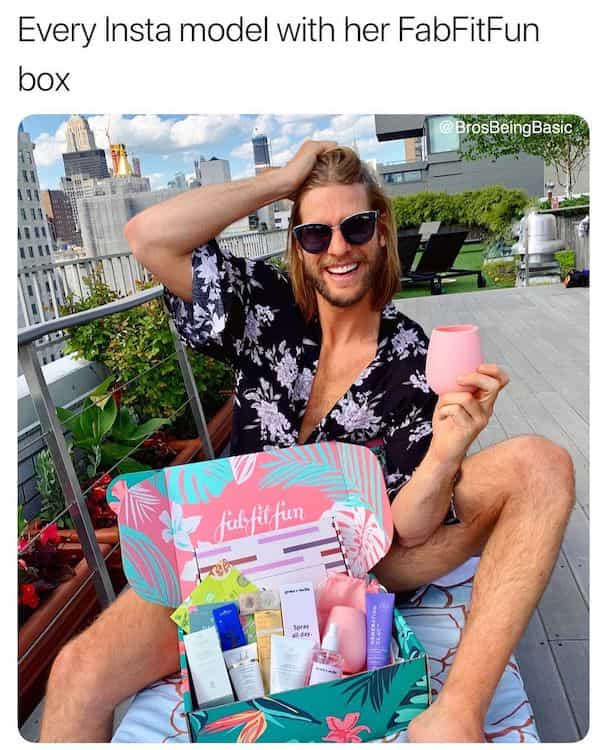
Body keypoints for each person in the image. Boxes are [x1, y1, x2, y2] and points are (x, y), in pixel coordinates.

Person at [40, 142, 574, 743]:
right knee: (77, 671)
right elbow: (149, 238)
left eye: (356, 226)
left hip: (345, 571)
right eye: (316, 233)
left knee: (540, 464)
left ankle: (456, 717)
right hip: (228, 567)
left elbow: (407, 527)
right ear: (298, 244)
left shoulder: (411, 359)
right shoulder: (264, 307)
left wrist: (450, 449)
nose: (338, 247)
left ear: (381, 233)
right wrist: (283, 182)